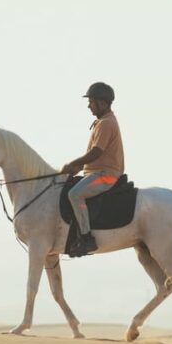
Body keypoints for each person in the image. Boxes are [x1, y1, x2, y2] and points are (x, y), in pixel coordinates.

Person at [60, 82, 125, 256]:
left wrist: (72, 164)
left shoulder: (105, 123)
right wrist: (79, 167)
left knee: (75, 194)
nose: (89, 105)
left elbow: (96, 152)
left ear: (102, 103)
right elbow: (95, 156)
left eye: (91, 101)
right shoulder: (102, 122)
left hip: (106, 176)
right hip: (97, 172)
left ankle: (87, 238)